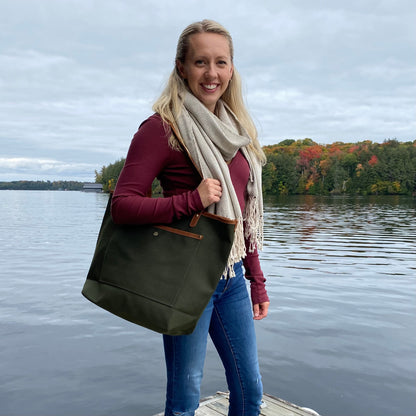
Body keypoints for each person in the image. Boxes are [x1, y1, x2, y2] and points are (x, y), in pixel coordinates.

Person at [111, 19, 270, 416]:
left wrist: (257, 281)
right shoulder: (161, 128)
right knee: (185, 399)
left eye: (221, 62)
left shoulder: (237, 133)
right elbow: (123, 205)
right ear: (182, 67)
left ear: (232, 69)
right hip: (184, 280)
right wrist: (190, 201)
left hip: (230, 277)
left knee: (250, 391)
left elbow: (243, 216)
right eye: (201, 62)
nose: (211, 73)